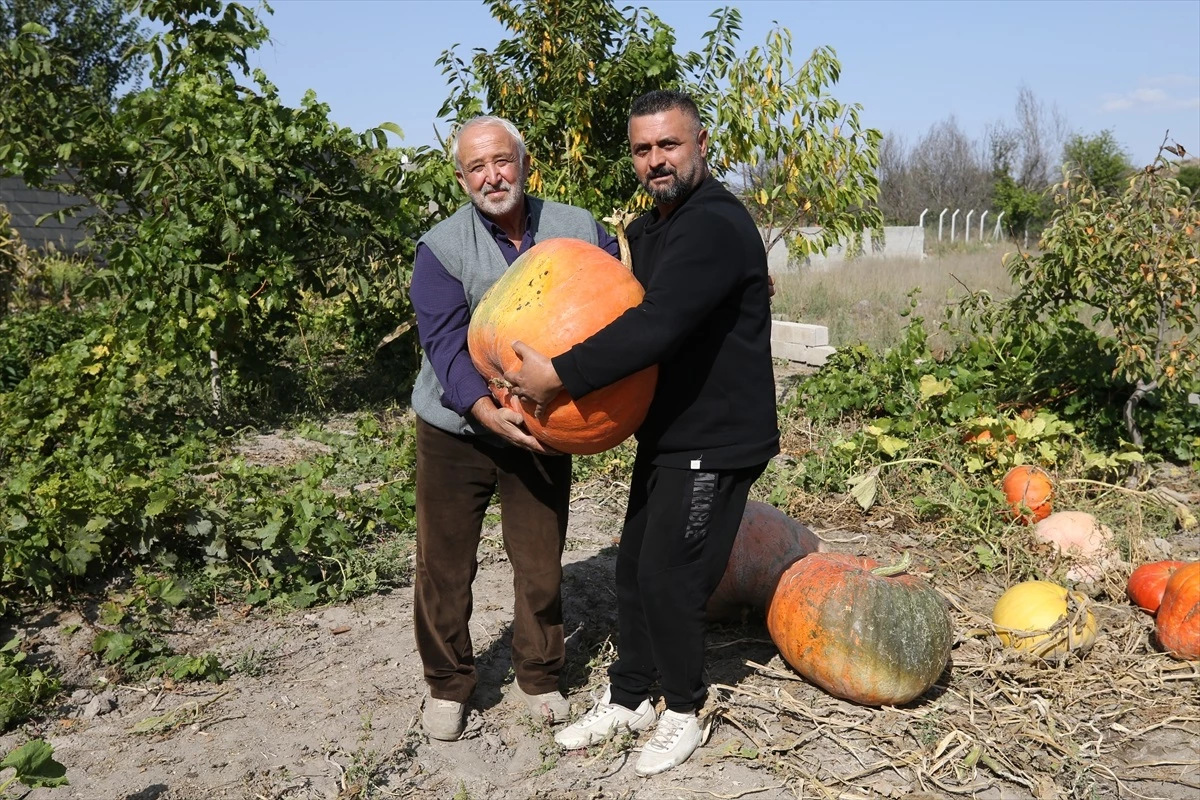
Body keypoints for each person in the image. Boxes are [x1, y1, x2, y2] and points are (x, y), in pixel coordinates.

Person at [504, 89, 780, 776]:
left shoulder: (712, 223)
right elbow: (613, 297)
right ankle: (629, 698)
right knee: (633, 570)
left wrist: (559, 376)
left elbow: (655, 325)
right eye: (643, 149)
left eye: (670, 145)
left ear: (702, 143)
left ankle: (684, 710)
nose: (656, 160)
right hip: (672, 433)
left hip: (714, 439)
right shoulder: (655, 226)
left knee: (671, 579)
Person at [408, 115, 621, 742]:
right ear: (461, 177)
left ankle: (539, 674)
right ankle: (448, 685)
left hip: (543, 428)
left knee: (539, 560)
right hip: (456, 429)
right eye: (476, 167)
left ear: (524, 164)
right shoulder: (441, 248)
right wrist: (481, 407)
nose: (491, 176)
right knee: (444, 564)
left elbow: (622, 301)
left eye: (501, 161)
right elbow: (444, 345)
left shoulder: (578, 229)